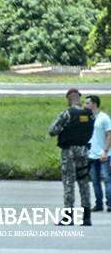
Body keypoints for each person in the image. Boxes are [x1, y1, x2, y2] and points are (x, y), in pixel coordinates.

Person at [48, 88, 94, 226]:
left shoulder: (67, 113)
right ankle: (86, 218)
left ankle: (69, 217)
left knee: (69, 183)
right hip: (84, 151)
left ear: (69, 99)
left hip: (69, 152)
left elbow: (52, 131)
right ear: (79, 98)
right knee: (84, 183)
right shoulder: (89, 114)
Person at [84, 95, 111, 212]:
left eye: (87, 103)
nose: (85, 105)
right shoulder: (87, 118)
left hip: (103, 154)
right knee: (95, 181)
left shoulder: (104, 118)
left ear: (94, 104)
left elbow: (109, 134)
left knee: (106, 179)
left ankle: (109, 204)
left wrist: (105, 151)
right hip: (91, 154)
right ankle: (98, 204)